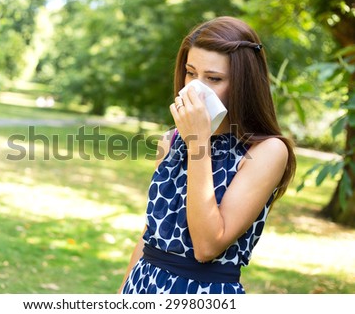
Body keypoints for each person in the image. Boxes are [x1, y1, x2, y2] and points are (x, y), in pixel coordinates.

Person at [119, 16, 296, 294]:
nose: (195, 88)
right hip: (143, 285)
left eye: (213, 78)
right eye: (191, 73)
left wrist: (197, 142)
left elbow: (207, 246)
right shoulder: (171, 140)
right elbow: (150, 233)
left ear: (243, 84)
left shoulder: (267, 151)